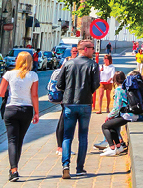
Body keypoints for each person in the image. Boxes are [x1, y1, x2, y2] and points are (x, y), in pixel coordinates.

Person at [55, 39, 100, 179]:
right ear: (85, 49)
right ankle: (80, 168)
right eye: (92, 48)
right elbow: (96, 84)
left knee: (67, 136)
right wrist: (87, 92)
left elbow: (59, 84)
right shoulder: (93, 65)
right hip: (85, 103)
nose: (94, 51)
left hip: (69, 103)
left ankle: (65, 165)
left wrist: (67, 91)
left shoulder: (68, 64)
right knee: (83, 137)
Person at [0, 52, 40, 182]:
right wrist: (37, 112)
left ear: (18, 61)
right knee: (19, 140)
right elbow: (34, 95)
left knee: (12, 140)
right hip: (26, 110)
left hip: (11, 109)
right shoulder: (33, 75)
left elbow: (0, 93)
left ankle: (13, 170)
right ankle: (14, 168)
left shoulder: (9, 74)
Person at [100, 71, 140, 157]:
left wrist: (109, 116)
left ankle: (112, 148)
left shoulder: (118, 89)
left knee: (105, 126)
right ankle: (118, 146)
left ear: (115, 80)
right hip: (132, 113)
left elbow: (117, 107)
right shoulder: (126, 87)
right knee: (112, 125)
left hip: (126, 115)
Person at [55, 47, 78, 156]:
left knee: (63, 120)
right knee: (64, 122)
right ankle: (61, 148)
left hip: (67, 95)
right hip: (67, 95)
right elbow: (60, 79)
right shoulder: (67, 61)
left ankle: (60, 147)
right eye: (73, 52)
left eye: (76, 52)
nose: (75, 53)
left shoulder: (75, 61)